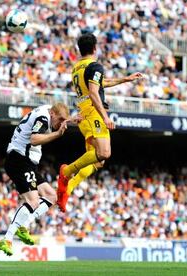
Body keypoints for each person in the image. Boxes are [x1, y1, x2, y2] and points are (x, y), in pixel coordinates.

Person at [57, 33, 143, 212]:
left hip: (84, 113)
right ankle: (65, 173)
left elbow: (100, 83)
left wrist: (125, 80)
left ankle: (67, 190)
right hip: (93, 113)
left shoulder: (78, 67)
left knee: (97, 162)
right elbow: (95, 92)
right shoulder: (95, 66)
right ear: (95, 48)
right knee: (104, 153)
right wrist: (105, 116)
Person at [0, 103, 72, 256]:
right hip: (20, 159)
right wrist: (57, 135)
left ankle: (24, 224)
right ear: (52, 113)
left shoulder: (48, 111)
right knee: (33, 201)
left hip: (27, 161)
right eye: (60, 119)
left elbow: (58, 115)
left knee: (52, 195)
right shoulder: (43, 118)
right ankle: (7, 238)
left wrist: (70, 120)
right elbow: (35, 139)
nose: (59, 123)